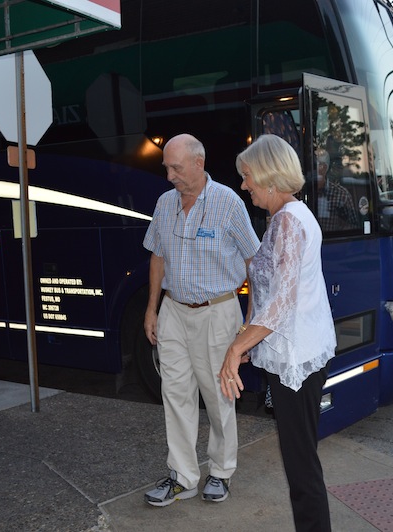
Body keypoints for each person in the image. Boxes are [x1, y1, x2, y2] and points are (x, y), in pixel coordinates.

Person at [220, 134, 336, 532]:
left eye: (248, 175)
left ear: (269, 175)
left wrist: (236, 348)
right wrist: (251, 337)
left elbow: (282, 302)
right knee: (302, 461)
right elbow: (269, 289)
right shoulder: (290, 215)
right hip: (296, 352)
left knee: (302, 468)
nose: (244, 184)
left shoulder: (287, 220)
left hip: (296, 359)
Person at [142, 134, 260, 506]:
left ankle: (221, 472)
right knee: (174, 392)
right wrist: (152, 307)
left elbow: (253, 264)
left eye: (176, 167)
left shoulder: (229, 203)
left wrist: (248, 327)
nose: (170, 176)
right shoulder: (164, 204)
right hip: (174, 310)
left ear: (198, 162)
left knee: (219, 394)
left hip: (218, 312)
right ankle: (183, 476)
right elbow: (157, 256)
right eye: (167, 168)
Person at [315, 149, 359, 232]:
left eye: (313, 165)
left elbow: (352, 227)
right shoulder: (300, 193)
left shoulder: (341, 195)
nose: (308, 169)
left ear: (323, 168)